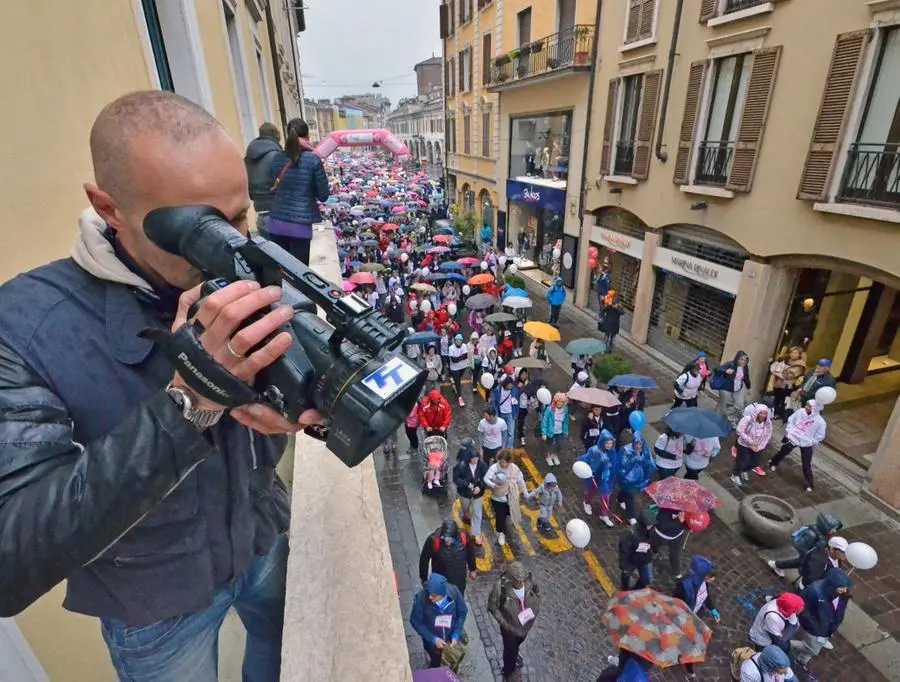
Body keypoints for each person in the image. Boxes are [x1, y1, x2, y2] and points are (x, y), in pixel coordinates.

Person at [0, 92, 324, 680]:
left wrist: (301, 409)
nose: (232, 245)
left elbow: (300, 375)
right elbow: (11, 554)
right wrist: (190, 401)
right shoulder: (23, 327)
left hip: (261, 536)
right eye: (200, 227)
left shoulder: (250, 261)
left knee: (277, 662)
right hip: (152, 600)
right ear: (110, 208)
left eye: (240, 216)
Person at [267, 118, 329, 265]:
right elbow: (323, 196)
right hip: (301, 226)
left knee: (281, 270)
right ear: (307, 136)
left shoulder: (276, 157)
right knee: (299, 271)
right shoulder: (313, 160)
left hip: (276, 222)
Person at [487, 561, 541, 682]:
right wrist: (505, 624)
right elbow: (492, 607)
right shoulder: (500, 587)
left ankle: (515, 654)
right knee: (509, 650)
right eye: (518, 581)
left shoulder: (529, 580)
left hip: (526, 625)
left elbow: (537, 592)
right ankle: (508, 671)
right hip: (509, 628)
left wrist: (536, 607)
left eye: (523, 580)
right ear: (511, 579)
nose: (522, 583)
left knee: (518, 643)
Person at [673, 556, 720, 680]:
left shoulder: (703, 583)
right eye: (710, 577)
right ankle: (689, 671)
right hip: (684, 619)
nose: (713, 580)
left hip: (695, 616)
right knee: (688, 644)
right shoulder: (684, 586)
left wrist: (712, 608)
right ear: (702, 576)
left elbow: (706, 596)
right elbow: (676, 604)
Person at [792, 570, 852, 668]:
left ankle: (801, 660)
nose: (845, 590)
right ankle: (787, 644)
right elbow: (802, 608)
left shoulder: (842, 594)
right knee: (812, 650)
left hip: (827, 628)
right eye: (842, 587)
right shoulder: (814, 591)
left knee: (812, 648)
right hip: (816, 629)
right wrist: (814, 625)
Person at [409, 573, 468, 669]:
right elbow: (415, 621)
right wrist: (432, 639)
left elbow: (462, 613)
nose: (430, 597)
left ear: (443, 595)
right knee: (435, 662)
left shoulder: (454, 592)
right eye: (429, 593)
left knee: (451, 663)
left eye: (434, 596)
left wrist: (456, 633)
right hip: (432, 645)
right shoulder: (421, 598)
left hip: (450, 641)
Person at [768, 399, 827, 492]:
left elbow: (820, 436)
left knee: (806, 463)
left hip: (806, 443)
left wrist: (810, 441)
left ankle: (809, 484)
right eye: (807, 405)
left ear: (815, 409)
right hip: (793, 438)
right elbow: (791, 419)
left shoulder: (820, 422)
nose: (806, 407)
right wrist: (790, 431)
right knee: (783, 452)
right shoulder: (800, 412)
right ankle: (773, 462)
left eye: (809, 406)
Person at [767, 512, 842, 579]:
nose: (835, 531)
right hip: (803, 554)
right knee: (795, 562)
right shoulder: (812, 535)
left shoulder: (820, 534)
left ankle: (777, 565)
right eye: (833, 529)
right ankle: (776, 565)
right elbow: (801, 547)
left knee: (796, 563)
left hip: (806, 554)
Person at [243, 122, 287, 233]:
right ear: (275, 136)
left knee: (269, 249)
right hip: (279, 212)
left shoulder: (248, 157)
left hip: (260, 212)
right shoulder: (277, 155)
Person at [418, 521, 477, 596]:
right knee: (442, 601)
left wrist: (473, 569)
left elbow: (470, 552)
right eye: (445, 538)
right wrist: (424, 578)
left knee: (457, 599)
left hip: (459, 578)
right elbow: (424, 559)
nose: (447, 541)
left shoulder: (464, 537)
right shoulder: (433, 540)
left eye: (450, 539)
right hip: (441, 580)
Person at [484, 450, 527, 547]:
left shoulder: (514, 469)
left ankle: (510, 522)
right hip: (498, 498)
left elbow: (521, 480)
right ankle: (501, 533)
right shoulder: (494, 468)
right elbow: (486, 478)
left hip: (511, 496)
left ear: (509, 461)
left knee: (510, 511)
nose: (502, 464)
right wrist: (493, 485)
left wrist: (526, 493)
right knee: (500, 516)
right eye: (501, 461)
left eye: (504, 462)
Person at [577, 430, 618, 527]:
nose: (609, 445)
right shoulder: (594, 450)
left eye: (611, 443)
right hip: (594, 477)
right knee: (591, 491)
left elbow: (614, 464)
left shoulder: (612, 451)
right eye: (607, 443)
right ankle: (586, 502)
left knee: (605, 496)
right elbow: (586, 459)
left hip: (605, 478)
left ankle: (604, 514)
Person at [616, 432, 656, 524]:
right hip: (628, 478)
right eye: (637, 444)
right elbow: (622, 464)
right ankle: (631, 516)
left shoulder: (645, 450)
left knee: (626, 491)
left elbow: (649, 462)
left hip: (638, 478)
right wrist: (633, 460)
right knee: (630, 496)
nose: (638, 446)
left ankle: (620, 498)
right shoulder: (626, 449)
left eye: (640, 444)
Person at [731, 403, 773, 487]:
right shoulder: (747, 419)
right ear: (757, 412)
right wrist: (751, 442)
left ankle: (744, 470)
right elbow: (740, 431)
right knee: (741, 462)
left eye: (765, 413)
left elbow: (768, 434)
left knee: (756, 462)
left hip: (758, 446)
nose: (763, 415)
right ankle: (735, 474)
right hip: (744, 445)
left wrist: (760, 446)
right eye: (761, 413)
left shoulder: (767, 423)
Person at [454, 451, 489, 545]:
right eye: (473, 458)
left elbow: (486, 477)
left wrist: (480, 487)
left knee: (477, 513)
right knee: (465, 507)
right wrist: (466, 484)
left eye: (477, 458)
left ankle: (476, 534)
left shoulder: (482, 465)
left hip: (477, 494)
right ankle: (466, 514)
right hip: (465, 493)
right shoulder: (462, 466)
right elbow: (456, 479)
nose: (475, 460)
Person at [618, 510, 656, 590]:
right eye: (649, 525)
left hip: (645, 558)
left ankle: (636, 590)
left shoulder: (651, 531)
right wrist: (624, 567)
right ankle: (624, 590)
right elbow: (624, 552)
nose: (651, 526)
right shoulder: (629, 534)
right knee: (626, 576)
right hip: (632, 560)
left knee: (647, 579)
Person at [712, 350, 752, 427]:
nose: (743, 362)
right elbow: (716, 369)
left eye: (745, 360)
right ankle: (716, 421)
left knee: (739, 406)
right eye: (741, 359)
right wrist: (725, 371)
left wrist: (749, 387)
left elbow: (746, 378)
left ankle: (725, 415)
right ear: (737, 359)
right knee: (723, 405)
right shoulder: (730, 364)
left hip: (737, 389)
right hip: (726, 388)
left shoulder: (745, 367)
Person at [768, 347, 807, 420]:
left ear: (799, 355)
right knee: (777, 398)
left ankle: (781, 414)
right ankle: (775, 412)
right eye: (791, 352)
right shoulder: (786, 360)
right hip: (778, 383)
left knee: (784, 400)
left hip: (788, 385)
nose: (793, 354)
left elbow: (789, 375)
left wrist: (777, 371)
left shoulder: (800, 364)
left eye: (795, 353)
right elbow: (776, 367)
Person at [650, 508, 689, 579]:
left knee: (676, 555)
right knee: (654, 545)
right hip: (660, 534)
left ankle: (676, 571)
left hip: (677, 537)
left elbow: (687, 525)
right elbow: (663, 524)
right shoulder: (664, 508)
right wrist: (680, 522)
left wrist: (687, 524)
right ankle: (654, 551)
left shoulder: (685, 509)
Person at [541, 392, 570, 466]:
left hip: (560, 431)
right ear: (556, 401)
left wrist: (566, 430)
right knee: (549, 445)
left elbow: (566, 421)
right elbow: (545, 421)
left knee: (560, 445)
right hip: (550, 431)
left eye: (562, 402)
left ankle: (554, 455)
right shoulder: (550, 409)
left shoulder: (565, 409)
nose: (560, 403)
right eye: (559, 401)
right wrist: (544, 433)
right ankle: (548, 457)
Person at [492, 376, 520, 449]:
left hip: (511, 413)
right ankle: (503, 448)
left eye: (512, 385)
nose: (510, 386)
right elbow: (495, 403)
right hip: (501, 414)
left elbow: (517, 402)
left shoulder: (514, 391)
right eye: (509, 385)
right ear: (505, 384)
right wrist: (496, 414)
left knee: (510, 432)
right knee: (503, 432)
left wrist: (516, 413)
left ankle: (509, 448)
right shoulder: (498, 390)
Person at [448, 333, 469, 407]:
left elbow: (466, 356)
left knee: (458, 379)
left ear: (462, 341)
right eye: (457, 340)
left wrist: (458, 358)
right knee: (458, 382)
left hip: (463, 367)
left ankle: (454, 385)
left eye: (460, 340)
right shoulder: (451, 348)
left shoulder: (464, 346)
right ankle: (460, 397)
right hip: (454, 368)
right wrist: (461, 357)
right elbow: (453, 360)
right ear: (455, 340)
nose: (458, 341)